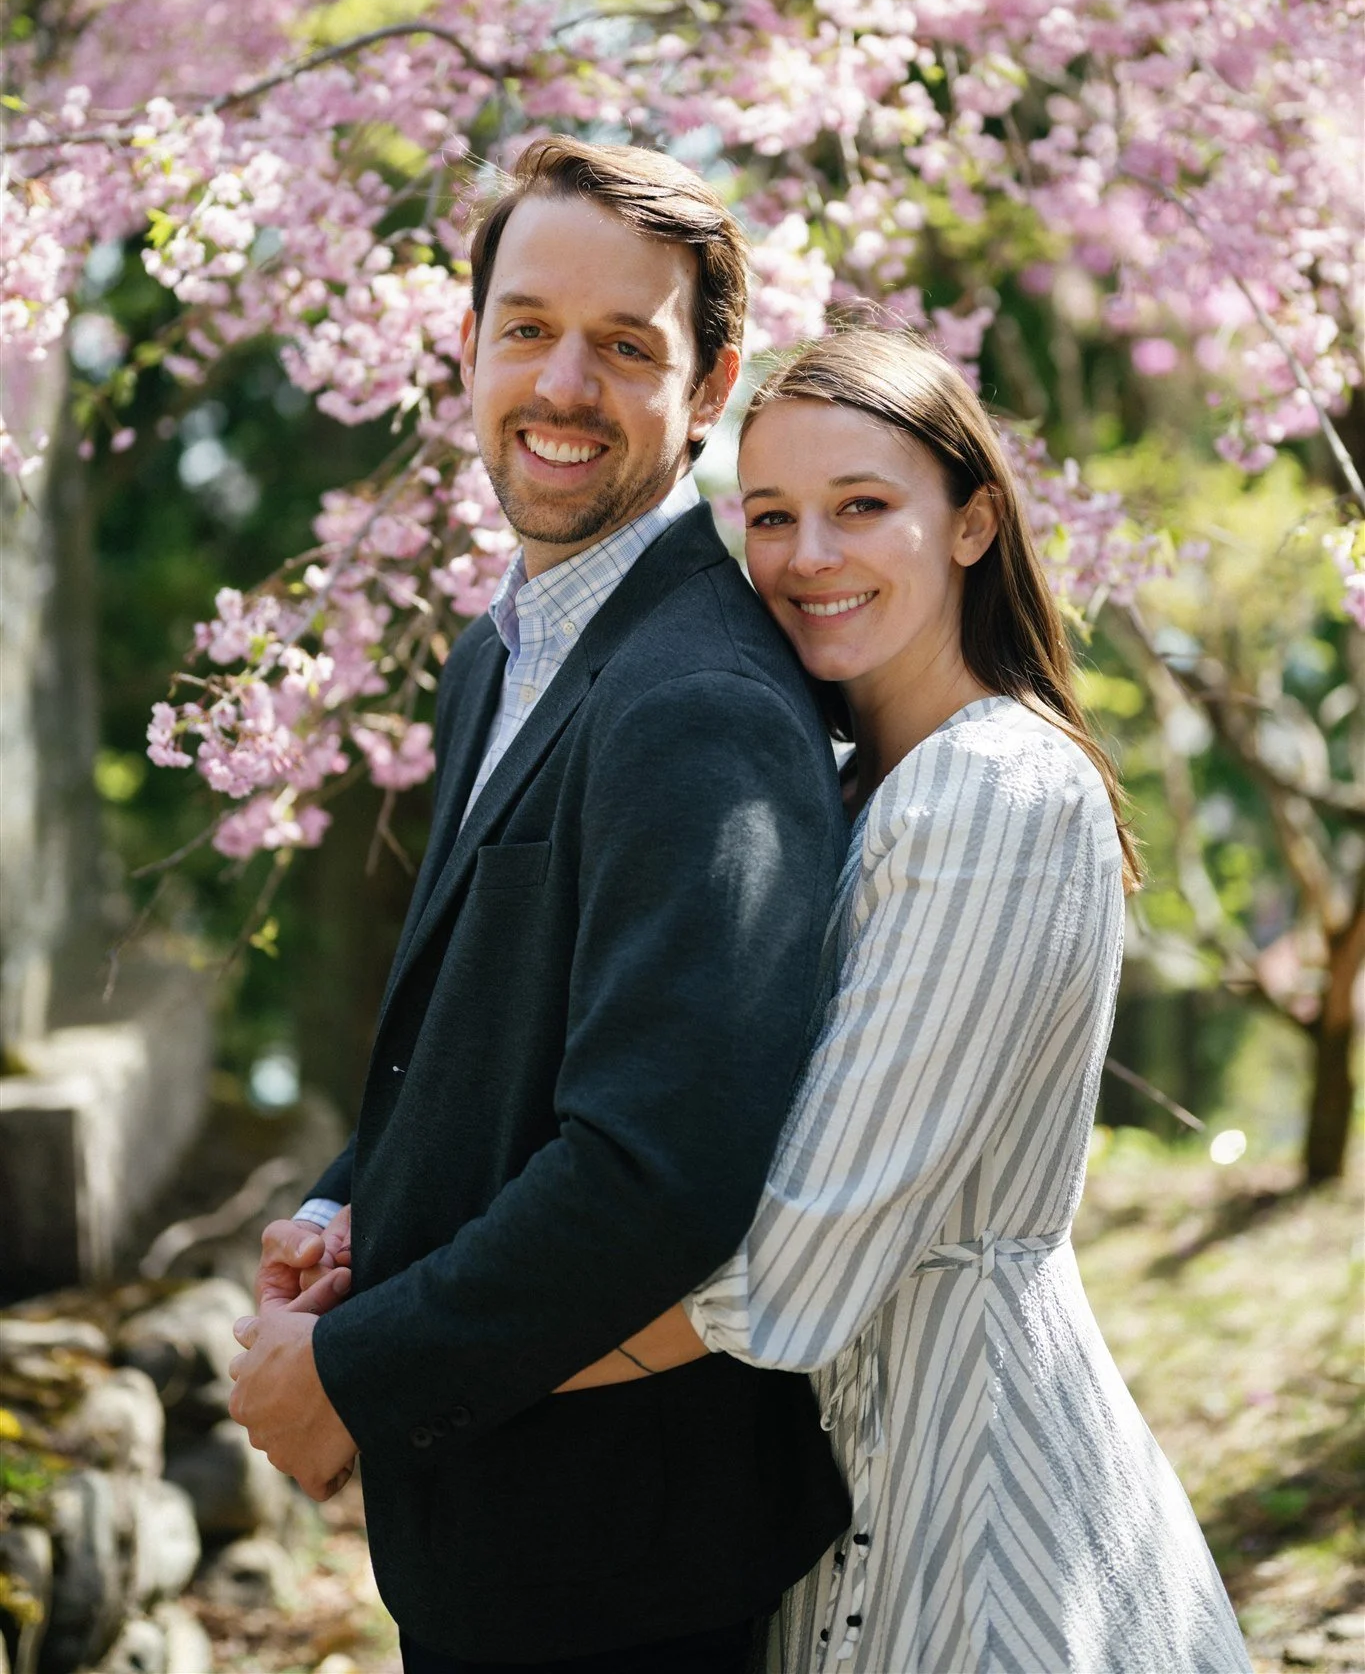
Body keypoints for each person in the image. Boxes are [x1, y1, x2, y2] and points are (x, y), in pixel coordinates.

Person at [227, 138, 852, 1674]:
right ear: (468, 347)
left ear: (707, 393)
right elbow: (483, 1034)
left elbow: (657, 1171)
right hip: (497, 1546)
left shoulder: (695, 701)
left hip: (622, 1574)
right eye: (527, 329)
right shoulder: (496, 655)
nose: (563, 385)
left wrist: (352, 1377)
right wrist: (349, 1203)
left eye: (627, 347)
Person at [563, 329, 1253, 1674]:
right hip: (836, 1503)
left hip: (987, 1524)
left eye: (863, 506)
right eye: (771, 518)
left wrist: (431, 1379)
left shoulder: (992, 790)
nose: (810, 556)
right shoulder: (846, 787)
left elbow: (794, 1276)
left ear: (974, 522)